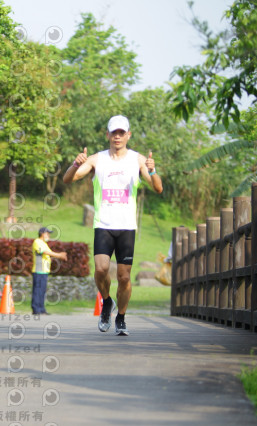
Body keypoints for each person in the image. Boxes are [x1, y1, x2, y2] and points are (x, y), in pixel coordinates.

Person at [62, 115, 163, 336]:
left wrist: (153, 170)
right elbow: (68, 179)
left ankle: (121, 318)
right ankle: (107, 302)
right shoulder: (97, 159)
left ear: (128, 135)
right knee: (100, 269)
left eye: (121, 132)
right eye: (113, 132)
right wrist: (74, 163)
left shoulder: (138, 160)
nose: (117, 136)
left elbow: (158, 188)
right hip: (103, 224)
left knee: (124, 277)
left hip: (127, 226)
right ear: (107, 135)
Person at [31, 227, 68, 315]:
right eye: (48, 233)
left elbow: (49, 253)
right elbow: (44, 252)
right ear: (42, 234)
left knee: (42, 290)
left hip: (44, 270)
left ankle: (41, 308)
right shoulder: (37, 242)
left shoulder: (44, 243)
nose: (49, 235)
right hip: (38, 270)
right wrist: (59, 255)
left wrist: (59, 255)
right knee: (38, 290)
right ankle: (36, 309)